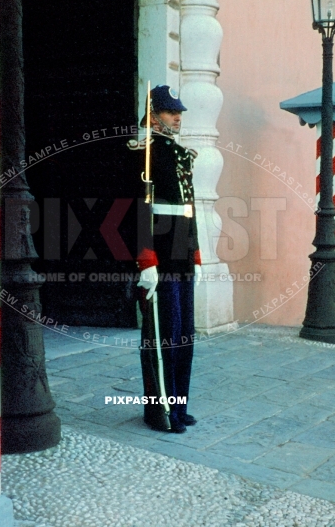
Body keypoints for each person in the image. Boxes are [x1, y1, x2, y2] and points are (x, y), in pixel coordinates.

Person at [128, 84, 202, 434]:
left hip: (182, 257)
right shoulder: (143, 152)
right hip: (160, 260)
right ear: (153, 115)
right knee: (163, 336)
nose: (178, 116)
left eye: (180, 112)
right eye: (171, 111)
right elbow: (137, 210)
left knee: (184, 336)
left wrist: (197, 255)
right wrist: (146, 261)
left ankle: (179, 406)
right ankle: (159, 411)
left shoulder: (179, 154)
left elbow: (190, 210)